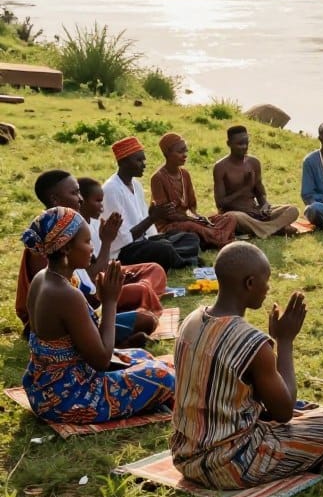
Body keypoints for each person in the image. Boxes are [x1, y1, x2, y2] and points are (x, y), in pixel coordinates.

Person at [171, 242, 323, 489]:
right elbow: (284, 412)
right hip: (230, 465)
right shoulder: (252, 343)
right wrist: (285, 341)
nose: (268, 288)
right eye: (266, 281)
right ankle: (307, 459)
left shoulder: (190, 320)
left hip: (185, 456)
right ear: (250, 283)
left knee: (306, 407)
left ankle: (309, 457)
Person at [20, 207, 175, 423]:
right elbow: (101, 360)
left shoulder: (43, 278)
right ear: (65, 249)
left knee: (141, 356)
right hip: (67, 398)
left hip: (42, 388)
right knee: (164, 376)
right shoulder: (65, 294)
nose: (92, 248)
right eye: (86, 242)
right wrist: (110, 301)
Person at [15, 170, 163, 345]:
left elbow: (88, 275)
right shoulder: (47, 241)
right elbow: (70, 292)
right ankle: (120, 341)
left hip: (83, 303)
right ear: (55, 199)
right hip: (65, 317)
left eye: (79, 191)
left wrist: (106, 243)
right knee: (144, 315)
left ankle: (120, 339)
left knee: (147, 296)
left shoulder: (71, 225)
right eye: (74, 193)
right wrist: (107, 243)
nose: (80, 199)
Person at [102, 136, 201, 271]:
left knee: (190, 239)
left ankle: (174, 256)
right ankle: (183, 262)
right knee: (164, 248)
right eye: (138, 160)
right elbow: (122, 238)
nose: (144, 164)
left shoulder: (136, 185)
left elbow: (148, 229)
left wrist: (158, 236)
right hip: (123, 251)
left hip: (144, 241)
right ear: (123, 162)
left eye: (143, 159)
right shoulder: (111, 190)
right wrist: (153, 218)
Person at [150, 132, 238, 249]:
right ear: (167, 153)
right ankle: (219, 239)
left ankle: (211, 238)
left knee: (229, 218)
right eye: (180, 152)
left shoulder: (185, 174)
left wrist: (198, 217)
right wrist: (191, 219)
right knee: (191, 227)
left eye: (186, 151)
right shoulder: (158, 178)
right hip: (168, 226)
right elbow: (166, 214)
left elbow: (192, 206)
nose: (185, 155)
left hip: (189, 220)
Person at [213, 125, 300, 238]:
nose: (244, 147)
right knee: (232, 217)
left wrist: (264, 204)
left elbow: (260, 192)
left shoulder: (254, 163)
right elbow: (220, 204)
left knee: (292, 210)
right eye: (239, 144)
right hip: (236, 214)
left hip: (255, 212)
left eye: (246, 143)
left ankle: (266, 229)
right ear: (229, 144)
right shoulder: (221, 167)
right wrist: (244, 189)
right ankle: (276, 228)